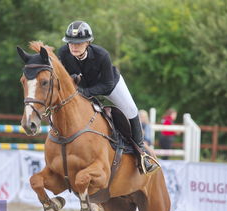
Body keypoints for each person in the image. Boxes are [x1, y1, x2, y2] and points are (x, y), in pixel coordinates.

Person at [58, 20, 158, 173]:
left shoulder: (101, 55)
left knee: (131, 110)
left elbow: (107, 85)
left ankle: (142, 154)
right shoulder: (63, 53)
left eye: (79, 43)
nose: (74, 46)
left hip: (110, 86)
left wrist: (85, 92)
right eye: (71, 43)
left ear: (88, 42)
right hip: (83, 88)